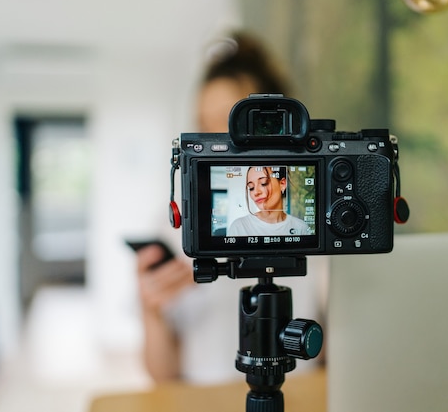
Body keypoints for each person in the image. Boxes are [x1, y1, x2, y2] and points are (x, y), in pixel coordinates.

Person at [135, 31, 328, 384]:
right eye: (203, 126)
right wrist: (151, 311)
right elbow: (161, 376)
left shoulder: (316, 226)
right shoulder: (172, 229)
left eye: (228, 123)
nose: (213, 143)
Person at [228, 166, 311, 236]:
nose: (256, 192)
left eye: (263, 183)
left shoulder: (301, 227)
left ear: (282, 184)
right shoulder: (239, 227)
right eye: (251, 187)